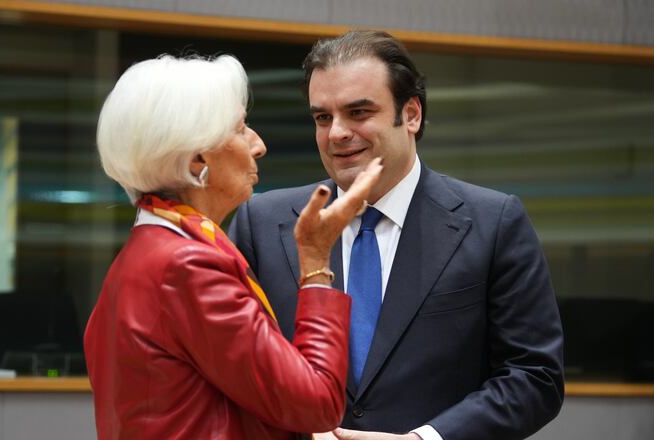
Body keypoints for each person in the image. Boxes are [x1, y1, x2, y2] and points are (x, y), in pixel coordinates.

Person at [229, 30, 564, 440]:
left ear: (411, 115)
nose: (336, 133)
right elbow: (234, 368)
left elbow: (534, 376)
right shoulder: (261, 222)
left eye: (358, 112)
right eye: (322, 117)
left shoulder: (493, 223)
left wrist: (424, 439)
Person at [83, 53, 384, 439]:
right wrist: (314, 262)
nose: (258, 145)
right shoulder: (187, 266)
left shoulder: (150, 249)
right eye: (241, 129)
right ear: (197, 162)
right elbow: (318, 405)